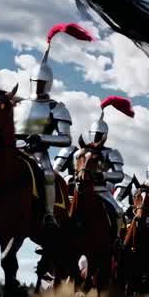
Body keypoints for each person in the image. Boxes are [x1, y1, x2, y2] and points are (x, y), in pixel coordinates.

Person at [0, 22, 92, 228]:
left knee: (48, 174)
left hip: (37, 152)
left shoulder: (56, 107)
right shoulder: (18, 103)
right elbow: (0, 123)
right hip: (12, 147)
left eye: (42, 82)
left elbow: (66, 138)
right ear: (31, 81)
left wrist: (41, 138)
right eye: (36, 81)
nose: (39, 85)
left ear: (48, 83)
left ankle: (48, 214)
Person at [56, 96, 131, 229]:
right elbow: (56, 171)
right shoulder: (73, 151)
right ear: (90, 133)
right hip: (75, 188)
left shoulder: (111, 153)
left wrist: (103, 176)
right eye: (94, 134)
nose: (96, 137)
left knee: (119, 212)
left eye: (99, 135)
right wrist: (69, 178)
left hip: (101, 190)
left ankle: (117, 241)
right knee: (56, 207)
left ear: (105, 136)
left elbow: (119, 175)